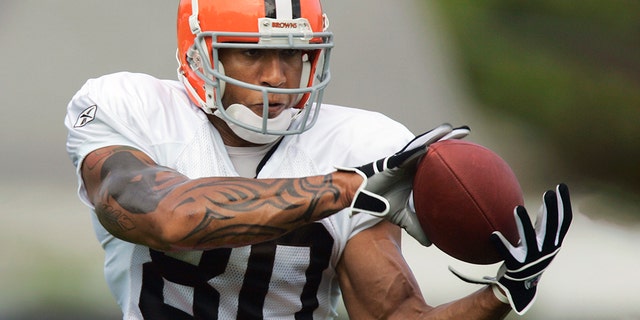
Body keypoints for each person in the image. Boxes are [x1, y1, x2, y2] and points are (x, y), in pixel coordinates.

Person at [64, 0, 572, 319]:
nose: (278, 77)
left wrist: (500, 296)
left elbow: (392, 315)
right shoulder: (129, 108)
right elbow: (169, 218)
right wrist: (348, 187)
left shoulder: (359, 143)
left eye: (294, 54)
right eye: (252, 53)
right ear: (202, 56)